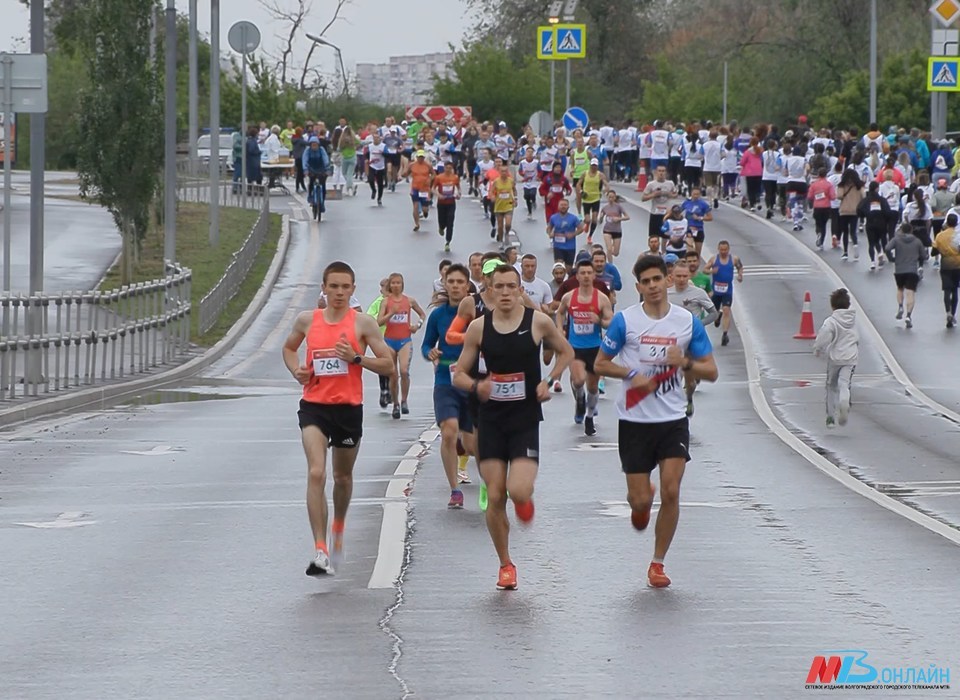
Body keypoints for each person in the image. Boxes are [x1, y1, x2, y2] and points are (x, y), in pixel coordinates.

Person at [594, 255, 718, 589]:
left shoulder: (686, 322)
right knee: (639, 502)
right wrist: (630, 374)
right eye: (645, 282)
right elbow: (600, 365)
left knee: (672, 490)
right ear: (638, 287)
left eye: (656, 280)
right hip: (634, 420)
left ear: (666, 281)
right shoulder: (625, 321)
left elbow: (712, 371)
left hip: (672, 419)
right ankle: (641, 500)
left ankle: (658, 563)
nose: (652, 286)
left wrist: (686, 362)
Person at [452, 265, 574, 590]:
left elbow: (566, 351)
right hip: (490, 421)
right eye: (499, 287)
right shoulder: (479, 328)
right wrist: (477, 386)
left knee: (517, 489)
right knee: (494, 495)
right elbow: (459, 374)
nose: (505, 292)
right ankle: (505, 565)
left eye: (511, 286)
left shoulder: (538, 322)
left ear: (521, 289)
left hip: (524, 420)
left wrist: (550, 380)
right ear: (489, 290)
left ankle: (524, 500)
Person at [282, 261, 395, 576]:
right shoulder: (307, 321)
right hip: (314, 407)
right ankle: (320, 550)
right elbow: (289, 349)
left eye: (346, 287)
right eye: (334, 286)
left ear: (353, 290)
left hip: (348, 409)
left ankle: (339, 525)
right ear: (324, 288)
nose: (339, 293)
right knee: (316, 472)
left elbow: (388, 365)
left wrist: (357, 358)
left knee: (342, 478)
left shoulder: (364, 324)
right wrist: (297, 371)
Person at [421, 263, 476, 508]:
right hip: (445, 380)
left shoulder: (478, 312)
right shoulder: (438, 315)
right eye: (450, 281)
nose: (455, 286)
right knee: (449, 431)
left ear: (467, 286)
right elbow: (425, 345)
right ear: (445, 284)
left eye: (459, 282)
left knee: (473, 444)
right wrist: (429, 352)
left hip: (473, 382)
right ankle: (455, 489)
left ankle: (492, 480)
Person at [555, 259, 614, 435]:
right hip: (575, 347)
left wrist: (600, 320)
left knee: (593, 387)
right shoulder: (569, 297)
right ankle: (580, 401)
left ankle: (589, 417)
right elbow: (559, 312)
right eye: (583, 273)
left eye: (589, 273)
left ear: (594, 275)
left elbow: (610, 321)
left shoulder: (601, 298)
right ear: (577, 276)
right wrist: (560, 330)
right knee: (578, 379)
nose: (586, 276)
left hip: (595, 348)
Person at [668, 263, 718, 417]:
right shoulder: (666, 293)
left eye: (685, 276)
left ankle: (689, 397)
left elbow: (713, 313)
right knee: (672, 375)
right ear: (672, 277)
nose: (682, 279)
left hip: (691, 340)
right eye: (679, 276)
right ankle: (672, 407)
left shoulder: (698, 293)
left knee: (689, 380)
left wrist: (699, 325)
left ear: (689, 276)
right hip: (672, 341)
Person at [377, 273, 427, 418]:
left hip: (405, 340)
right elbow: (379, 321)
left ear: (402, 284)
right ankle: (396, 404)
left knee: (404, 371)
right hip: (389, 341)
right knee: (393, 373)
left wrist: (417, 326)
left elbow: (423, 315)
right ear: (390, 285)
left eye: (399, 283)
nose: (396, 286)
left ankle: (404, 400)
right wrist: (390, 314)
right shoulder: (386, 302)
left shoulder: (409, 301)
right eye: (393, 283)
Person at [813, 288, 859, 428]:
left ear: (832, 305)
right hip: (851, 357)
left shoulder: (831, 321)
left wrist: (818, 347)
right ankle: (844, 402)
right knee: (844, 384)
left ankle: (830, 417)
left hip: (835, 358)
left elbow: (824, 335)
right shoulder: (853, 319)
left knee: (831, 386)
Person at [884, 222, 928, 329]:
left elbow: (887, 248)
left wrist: (891, 258)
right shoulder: (917, 241)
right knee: (910, 293)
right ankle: (908, 315)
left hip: (899, 269)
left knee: (900, 289)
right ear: (911, 230)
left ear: (902, 230)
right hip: (912, 270)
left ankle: (900, 306)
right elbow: (924, 255)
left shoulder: (896, 239)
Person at [705, 240, 743, 346]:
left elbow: (740, 266)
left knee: (727, 310)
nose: (723, 251)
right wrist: (712, 271)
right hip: (716, 291)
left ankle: (725, 334)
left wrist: (740, 275)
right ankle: (718, 316)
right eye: (721, 249)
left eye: (725, 249)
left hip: (727, 290)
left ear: (728, 249)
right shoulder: (714, 259)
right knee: (714, 312)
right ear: (718, 249)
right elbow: (705, 269)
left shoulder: (733, 259)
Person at [365, 278, 392, 408]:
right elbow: (370, 316)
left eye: (383, 288)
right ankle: (384, 390)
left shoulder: (397, 302)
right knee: (383, 364)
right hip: (382, 338)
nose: (381, 290)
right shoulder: (378, 302)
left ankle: (390, 390)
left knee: (392, 366)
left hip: (396, 338)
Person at [933, 212, 960, 328]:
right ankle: (953, 314)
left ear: (947, 223)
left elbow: (933, 252)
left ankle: (947, 312)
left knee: (946, 290)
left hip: (945, 265)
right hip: (957, 264)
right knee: (955, 290)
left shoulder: (940, 236)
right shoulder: (958, 236)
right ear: (956, 223)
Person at [547, 198, 585, 271]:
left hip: (570, 247)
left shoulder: (573, 218)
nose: (563, 207)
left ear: (568, 207)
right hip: (558, 246)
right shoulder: (553, 217)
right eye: (561, 205)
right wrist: (550, 233)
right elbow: (549, 228)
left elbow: (581, 228)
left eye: (565, 205)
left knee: (568, 269)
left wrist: (573, 234)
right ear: (558, 206)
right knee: (559, 267)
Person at [432, 161, 462, 252]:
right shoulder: (439, 177)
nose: (448, 170)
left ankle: (448, 242)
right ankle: (441, 227)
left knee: (450, 222)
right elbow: (433, 189)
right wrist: (438, 195)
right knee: (442, 221)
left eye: (450, 168)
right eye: (446, 168)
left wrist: (459, 194)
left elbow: (458, 187)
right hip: (441, 203)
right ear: (444, 168)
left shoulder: (455, 177)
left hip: (451, 202)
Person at [404, 150, 434, 231]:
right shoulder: (412, 165)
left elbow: (433, 174)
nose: (420, 159)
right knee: (415, 206)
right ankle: (417, 224)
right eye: (419, 157)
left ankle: (425, 212)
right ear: (416, 157)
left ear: (424, 157)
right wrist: (403, 174)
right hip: (415, 188)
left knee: (424, 208)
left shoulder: (428, 165)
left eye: (422, 157)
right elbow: (406, 173)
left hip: (424, 189)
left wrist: (430, 179)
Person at [599, 189, 630, 259]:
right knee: (609, 249)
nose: (611, 199)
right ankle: (610, 265)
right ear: (607, 197)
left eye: (612, 197)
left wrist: (619, 219)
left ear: (615, 198)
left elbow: (627, 217)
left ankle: (611, 250)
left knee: (616, 253)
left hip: (617, 231)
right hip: (607, 230)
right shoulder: (605, 208)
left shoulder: (619, 207)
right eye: (609, 197)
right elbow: (600, 221)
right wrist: (600, 218)